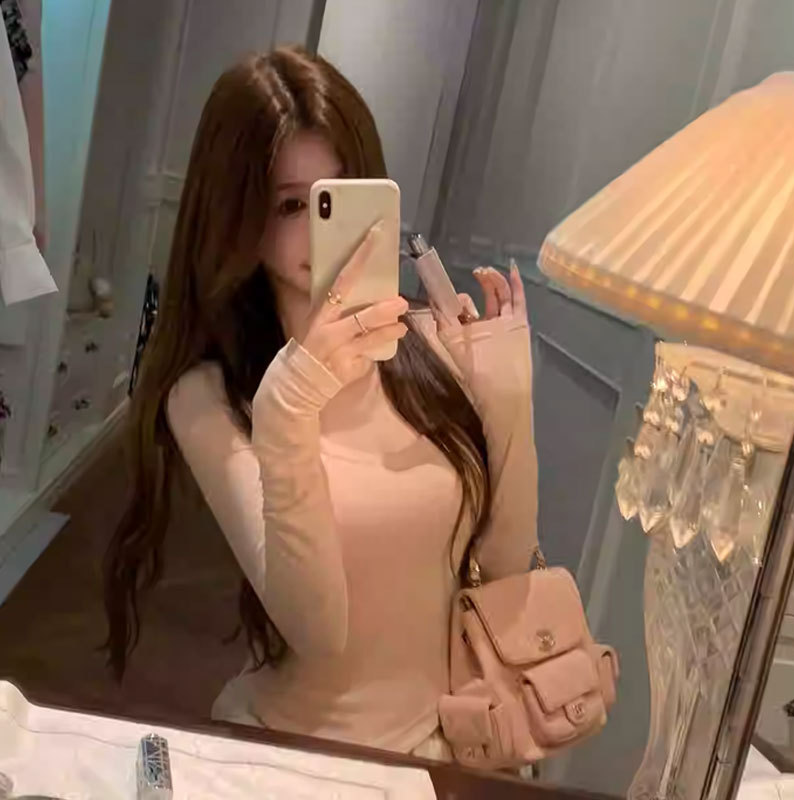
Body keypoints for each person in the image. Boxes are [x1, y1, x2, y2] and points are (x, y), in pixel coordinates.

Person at [104, 46, 539, 759]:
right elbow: (318, 632)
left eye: (337, 199)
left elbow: (505, 571)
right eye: (289, 205)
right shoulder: (208, 396)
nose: (319, 230)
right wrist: (289, 411)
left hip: (443, 753)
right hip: (297, 755)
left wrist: (510, 402)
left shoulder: (432, 349)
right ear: (239, 218)